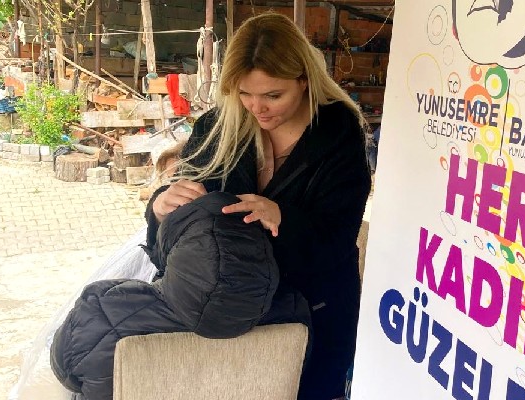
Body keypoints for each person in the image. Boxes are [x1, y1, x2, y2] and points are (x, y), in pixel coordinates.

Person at [144, 11, 371, 400]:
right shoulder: (216, 127)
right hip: (226, 308)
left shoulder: (338, 133)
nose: (257, 107)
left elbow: (338, 237)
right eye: (244, 93)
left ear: (304, 80)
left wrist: (284, 218)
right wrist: (161, 207)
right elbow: (182, 226)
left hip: (315, 309)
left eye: (273, 95)